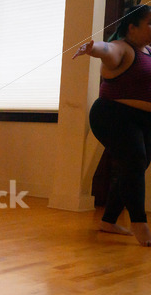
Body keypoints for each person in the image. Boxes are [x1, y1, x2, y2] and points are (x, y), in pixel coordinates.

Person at [73, 4, 151, 246]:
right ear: (132, 27)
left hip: (143, 120)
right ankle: (140, 224)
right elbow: (107, 50)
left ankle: (108, 221)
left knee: (134, 166)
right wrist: (93, 47)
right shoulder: (123, 48)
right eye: (150, 23)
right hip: (113, 114)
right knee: (135, 160)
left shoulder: (148, 50)